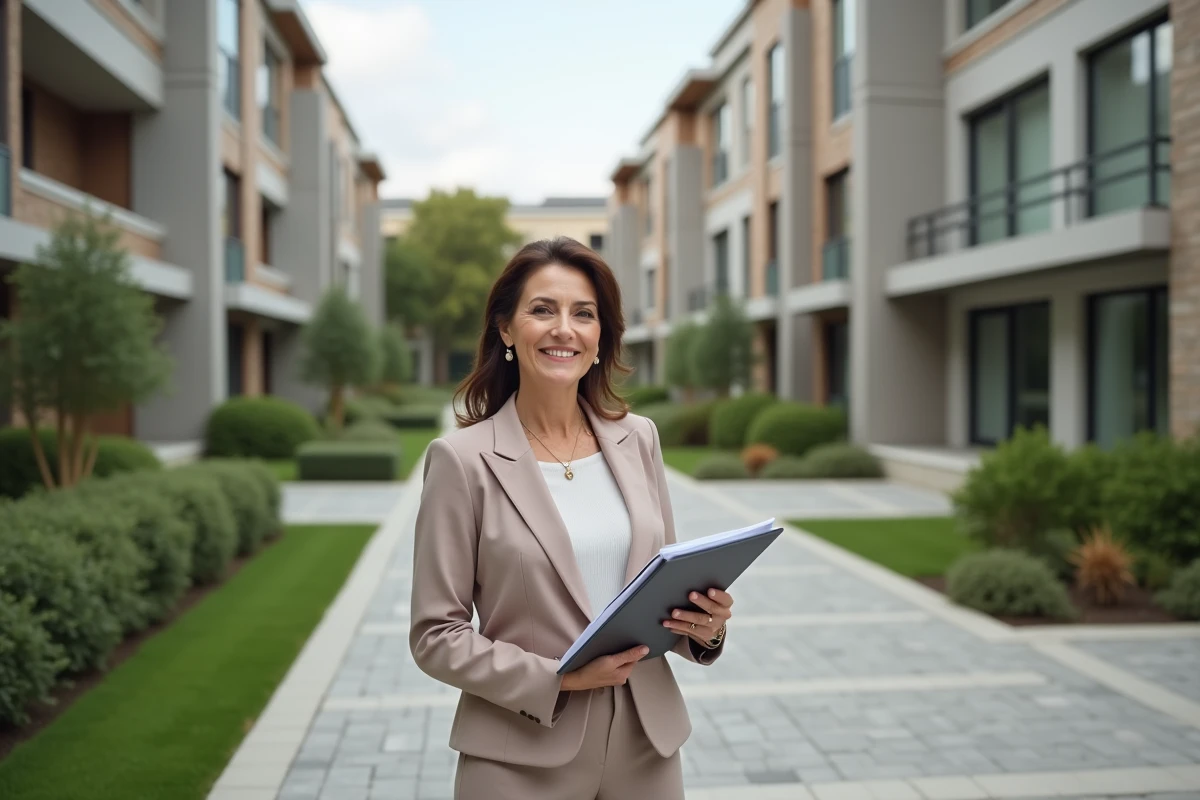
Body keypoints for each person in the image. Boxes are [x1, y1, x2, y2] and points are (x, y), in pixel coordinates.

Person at [409, 236, 735, 799]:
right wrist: (558, 677)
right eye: (542, 310)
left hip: (647, 746)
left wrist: (705, 627)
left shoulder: (639, 439)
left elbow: (665, 578)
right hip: (520, 754)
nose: (565, 329)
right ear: (506, 329)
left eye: (584, 314)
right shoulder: (460, 461)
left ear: (601, 336)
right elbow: (436, 634)